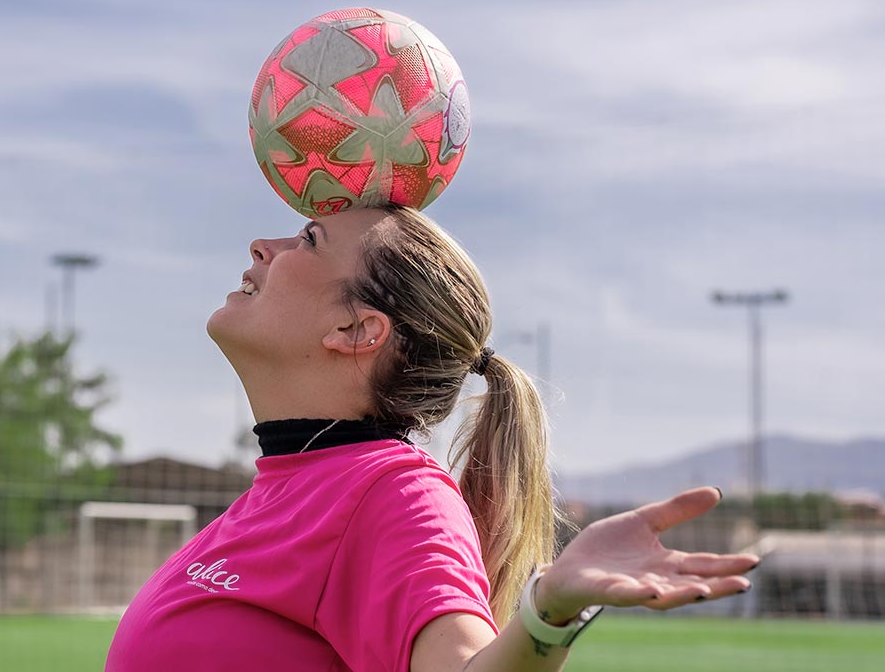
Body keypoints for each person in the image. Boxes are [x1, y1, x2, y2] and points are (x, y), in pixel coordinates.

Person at [105, 202, 759, 672]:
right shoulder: (292, 481)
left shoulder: (391, 490)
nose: (261, 244)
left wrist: (548, 609)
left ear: (359, 330)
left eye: (308, 238)